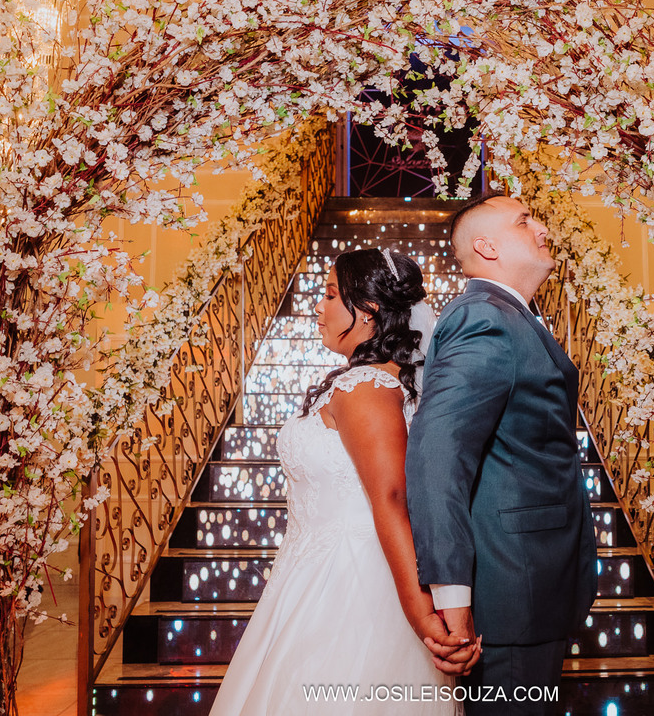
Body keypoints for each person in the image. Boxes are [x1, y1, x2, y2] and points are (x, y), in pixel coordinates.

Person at [211, 248, 479, 715]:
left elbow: (392, 497)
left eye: (331, 294)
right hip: (312, 570)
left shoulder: (367, 388)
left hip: (351, 584)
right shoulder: (371, 381)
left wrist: (420, 615)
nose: (318, 305)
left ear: (370, 311)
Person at [406, 195, 598, 715]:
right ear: (485, 246)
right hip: (511, 592)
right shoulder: (483, 319)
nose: (541, 225)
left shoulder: (512, 316)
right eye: (524, 219)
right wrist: (452, 598)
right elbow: (437, 457)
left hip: (533, 587)